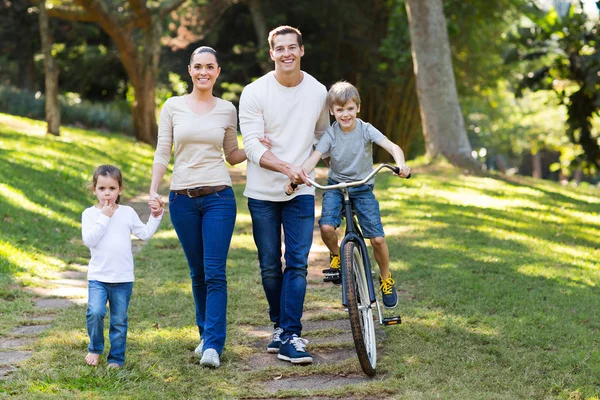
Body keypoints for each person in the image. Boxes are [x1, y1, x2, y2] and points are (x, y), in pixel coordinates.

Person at [149, 46, 268, 368]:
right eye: (198, 66)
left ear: (218, 71)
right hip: (181, 200)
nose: (204, 72)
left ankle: (214, 344)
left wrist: (256, 147)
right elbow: (163, 152)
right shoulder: (172, 106)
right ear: (190, 70)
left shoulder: (227, 109)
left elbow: (232, 154)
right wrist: (153, 192)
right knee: (197, 273)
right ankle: (204, 336)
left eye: (210, 67)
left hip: (218, 198)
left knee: (215, 272)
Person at [239, 25, 330, 365]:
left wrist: (303, 170)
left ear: (302, 51)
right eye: (280, 48)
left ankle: (290, 333)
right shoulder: (254, 92)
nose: (287, 53)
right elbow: (250, 146)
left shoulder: (318, 92)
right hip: (262, 192)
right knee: (268, 266)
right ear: (271, 53)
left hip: (302, 192)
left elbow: (323, 137)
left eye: (293, 47)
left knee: (297, 262)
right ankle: (279, 327)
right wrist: (285, 168)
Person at [285, 81, 410, 308]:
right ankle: (336, 255)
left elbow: (393, 147)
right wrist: (297, 176)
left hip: (362, 188)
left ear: (358, 108)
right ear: (332, 111)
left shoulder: (366, 129)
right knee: (326, 227)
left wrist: (400, 164)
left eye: (350, 109)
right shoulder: (331, 135)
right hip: (336, 187)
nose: (345, 114)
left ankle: (385, 278)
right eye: (340, 110)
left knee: (378, 239)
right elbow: (314, 158)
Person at [82, 164, 163, 369]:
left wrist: (156, 216)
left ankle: (116, 358)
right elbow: (90, 241)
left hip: (123, 278)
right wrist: (104, 218)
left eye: (112, 188)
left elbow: (143, 234)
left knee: (118, 320)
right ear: (94, 190)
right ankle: (95, 347)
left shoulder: (127, 212)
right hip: (99, 277)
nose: (107, 193)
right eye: (102, 189)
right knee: (95, 312)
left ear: (120, 190)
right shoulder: (90, 214)